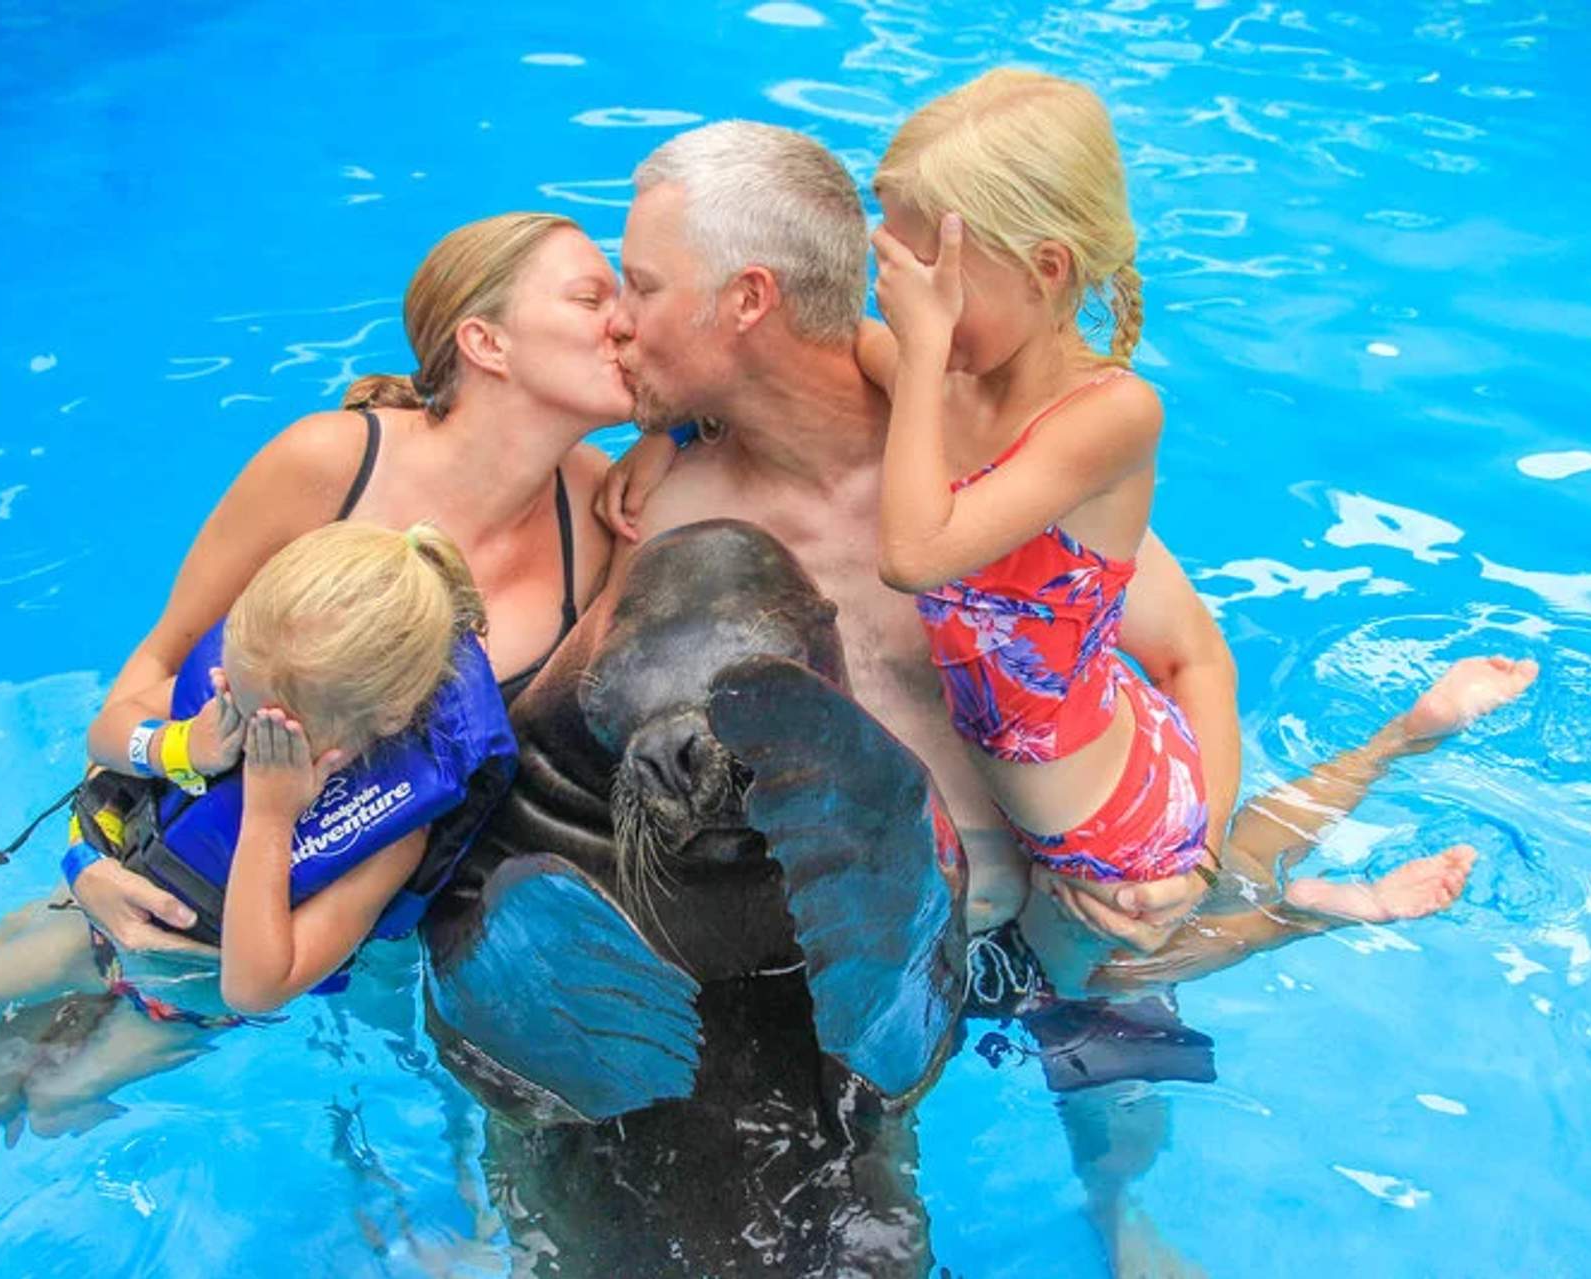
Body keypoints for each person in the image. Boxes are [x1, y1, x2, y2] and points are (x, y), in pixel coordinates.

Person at [593, 117, 1535, 1275]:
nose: (614, 316)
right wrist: (664, 424)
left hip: (1077, 879)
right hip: (885, 953)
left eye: (639, 286)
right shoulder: (674, 531)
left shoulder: (988, 458)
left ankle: (1117, 1211)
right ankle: (1362, 795)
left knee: (1129, 1070)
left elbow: (1194, 655)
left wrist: (1187, 865)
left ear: (747, 300)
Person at [0, 522, 515, 1260]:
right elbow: (107, 731)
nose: (238, 714)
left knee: (44, 1107)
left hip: (180, 1000)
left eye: (267, 720)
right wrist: (184, 743)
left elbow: (256, 986)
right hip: (88, 919)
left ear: (377, 721)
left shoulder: (393, 834)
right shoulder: (244, 680)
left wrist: (270, 814)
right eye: (231, 690)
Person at [71, 211, 631, 960]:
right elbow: (153, 671)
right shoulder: (327, 466)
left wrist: (672, 441)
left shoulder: (601, 513)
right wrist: (84, 860)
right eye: (591, 299)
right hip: (159, 863)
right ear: (485, 341)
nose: (625, 321)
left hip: (312, 946)